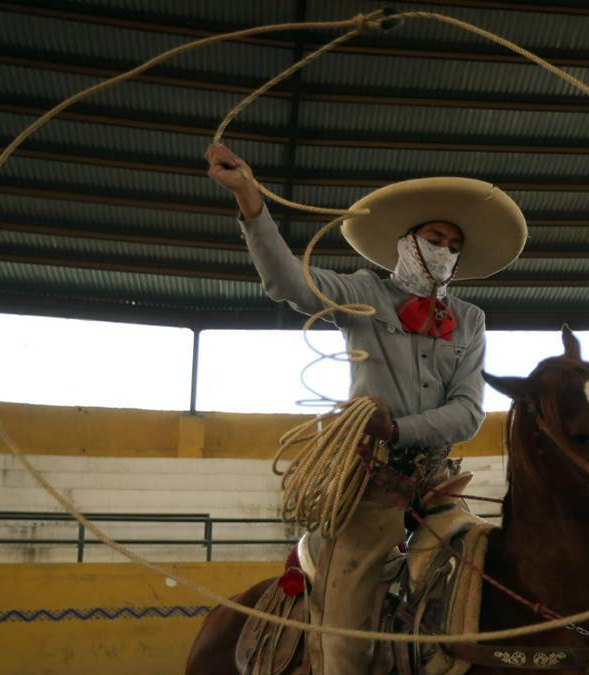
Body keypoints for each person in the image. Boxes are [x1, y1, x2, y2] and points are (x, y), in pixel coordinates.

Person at [205, 143, 527, 674]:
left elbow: (469, 412)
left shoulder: (470, 319)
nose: (445, 250)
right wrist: (250, 202)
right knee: (346, 636)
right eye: (434, 238)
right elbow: (288, 282)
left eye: (453, 244)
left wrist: (398, 426)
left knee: (485, 579)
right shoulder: (362, 292)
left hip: (439, 487)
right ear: (406, 243)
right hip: (369, 490)